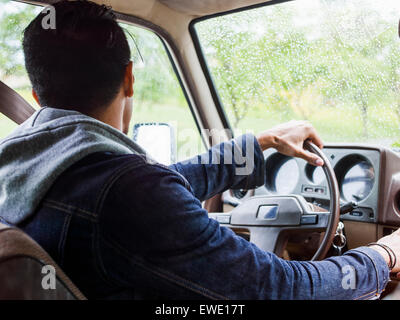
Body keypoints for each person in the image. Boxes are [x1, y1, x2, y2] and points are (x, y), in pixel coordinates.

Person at [0, 0, 399, 299]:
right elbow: (279, 289)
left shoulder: (25, 168)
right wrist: (382, 257)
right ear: (129, 78)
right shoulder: (126, 192)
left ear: (38, 94)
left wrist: (260, 144)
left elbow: (160, 185)